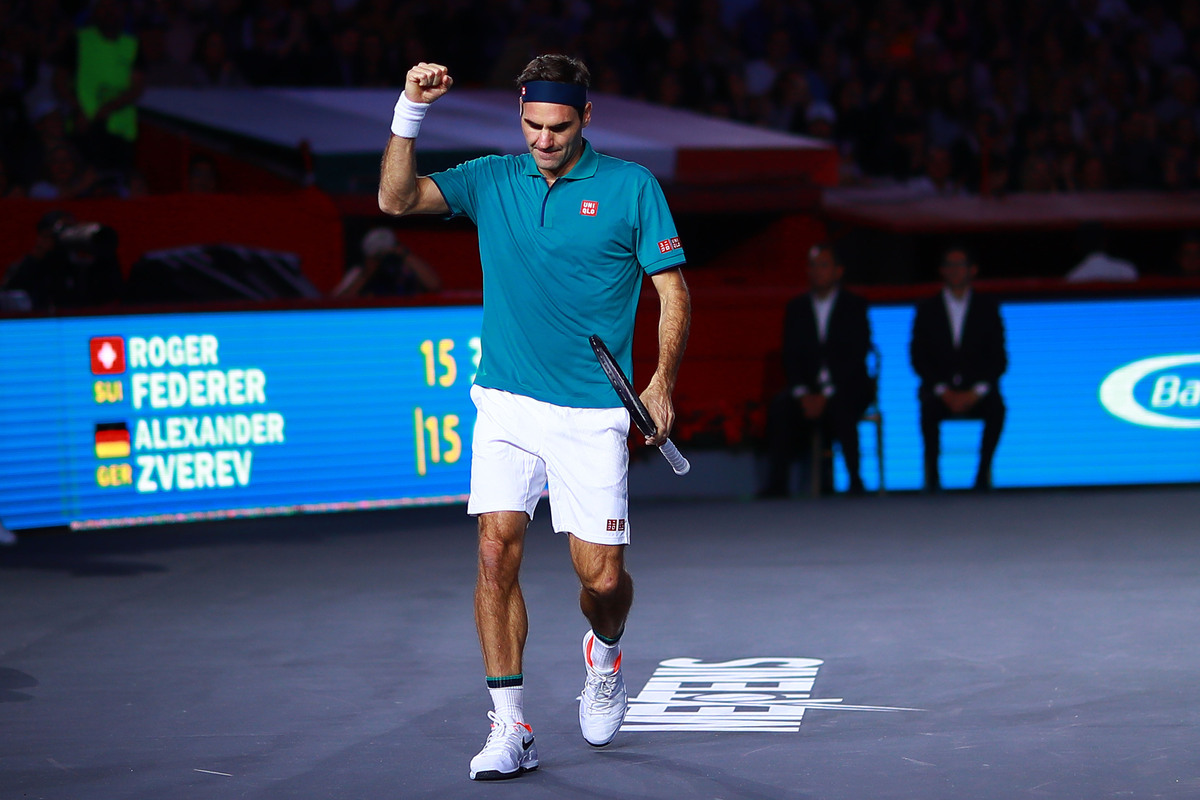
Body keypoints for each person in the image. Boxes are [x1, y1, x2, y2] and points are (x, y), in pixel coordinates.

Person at [377, 56, 690, 780]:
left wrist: (661, 380)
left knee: (602, 581)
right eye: (531, 126)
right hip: (507, 400)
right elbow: (395, 200)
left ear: (585, 119)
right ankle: (510, 727)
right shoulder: (490, 179)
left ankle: (605, 653)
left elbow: (673, 293)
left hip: (592, 414)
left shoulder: (631, 188)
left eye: (558, 127)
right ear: (519, 114)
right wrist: (408, 111)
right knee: (495, 551)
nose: (543, 141)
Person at [759, 243, 872, 497]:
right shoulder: (796, 308)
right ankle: (778, 484)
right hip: (806, 388)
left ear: (838, 271)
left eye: (823, 265)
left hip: (845, 386)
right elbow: (790, 354)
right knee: (780, 407)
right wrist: (802, 392)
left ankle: (855, 481)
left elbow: (857, 355)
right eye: (812, 266)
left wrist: (827, 393)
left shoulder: (855, 306)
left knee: (842, 405)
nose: (817, 271)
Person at [910, 246, 1007, 491]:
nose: (955, 271)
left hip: (977, 389)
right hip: (938, 389)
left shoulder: (988, 307)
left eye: (960, 265)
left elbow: (999, 358)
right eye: (949, 265)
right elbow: (918, 356)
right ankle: (932, 478)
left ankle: (982, 475)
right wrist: (943, 390)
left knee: (997, 408)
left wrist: (976, 391)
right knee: (928, 407)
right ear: (941, 270)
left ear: (972, 270)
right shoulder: (927, 308)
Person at [332, 227, 441, 297]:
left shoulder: (404, 267)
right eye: (379, 256)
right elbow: (336, 303)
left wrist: (404, 255)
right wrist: (366, 275)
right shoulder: (359, 273)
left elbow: (434, 285)